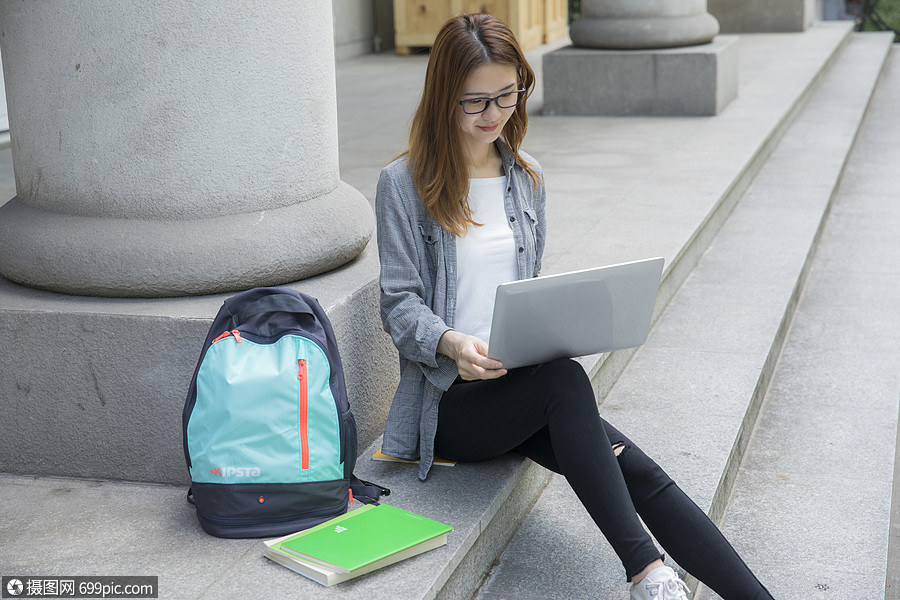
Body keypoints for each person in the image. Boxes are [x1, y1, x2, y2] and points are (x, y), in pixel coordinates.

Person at [374, 13, 774, 600]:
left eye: (507, 95)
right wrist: (453, 343)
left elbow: (520, 292)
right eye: (475, 102)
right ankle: (643, 571)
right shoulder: (403, 183)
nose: (493, 115)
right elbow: (398, 304)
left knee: (638, 471)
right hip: (453, 403)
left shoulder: (527, 179)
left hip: (522, 385)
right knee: (564, 381)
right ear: (442, 98)